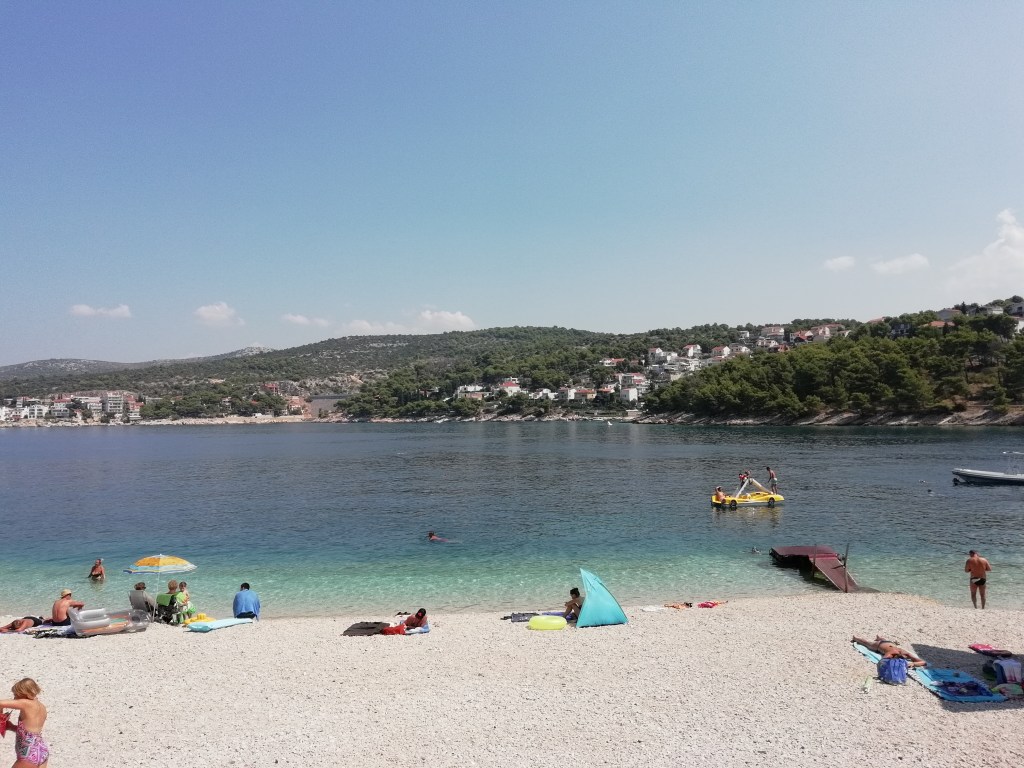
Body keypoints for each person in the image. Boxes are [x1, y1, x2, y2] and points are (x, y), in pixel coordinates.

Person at [0, 677, 49, 767]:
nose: (14, 698)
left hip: (28, 753)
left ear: (24, 694)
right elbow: (30, 733)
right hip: (41, 750)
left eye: (16, 694)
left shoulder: (26, 703)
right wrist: (11, 727)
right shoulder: (42, 707)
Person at [851, 635, 927, 667]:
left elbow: (923, 662)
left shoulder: (906, 654)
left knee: (884, 641)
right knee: (866, 643)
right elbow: (882, 662)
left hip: (889, 643)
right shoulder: (891, 653)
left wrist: (913, 663)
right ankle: (855, 638)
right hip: (878, 645)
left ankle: (879, 637)